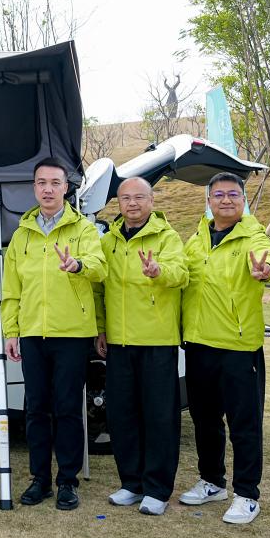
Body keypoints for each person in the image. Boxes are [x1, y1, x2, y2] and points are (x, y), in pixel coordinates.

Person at [3, 157, 105, 511]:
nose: (48, 189)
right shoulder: (21, 235)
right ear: (34, 187)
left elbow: (100, 268)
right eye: (42, 183)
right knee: (36, 409)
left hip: (72, 333)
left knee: (67, 409)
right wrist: (11, 330)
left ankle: (67, 481)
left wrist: (78, 265)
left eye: (55, 183)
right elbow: (11, 289)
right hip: (32, 333)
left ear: (66, 188)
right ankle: (40, 479)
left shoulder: (83, 230)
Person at [179, 171, 270, 525]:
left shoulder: (253, 235)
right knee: (205, 419)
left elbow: (269, 259)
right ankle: (212, 481)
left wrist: (265, 270)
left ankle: (247, 494)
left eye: (233, 194)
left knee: (244, 423)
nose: (225, 200)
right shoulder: (195, 240)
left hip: (238, 346)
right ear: (208, 201)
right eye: (218, 194)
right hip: (198, 344)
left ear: (243, 200)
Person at [93, 177, 187, 517]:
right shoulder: (109, 241)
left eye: (139, 197)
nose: (132, 203)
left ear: (151, 200)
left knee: (159, 416)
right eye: (125, 198)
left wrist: (159, 271)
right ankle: (131, 483)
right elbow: (99, 289)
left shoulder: (167, 236)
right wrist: (101, 328)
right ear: (118, 203)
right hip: (119, 341)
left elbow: (182, 273)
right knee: (122, 414)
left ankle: (157, 489)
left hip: (157, 340)